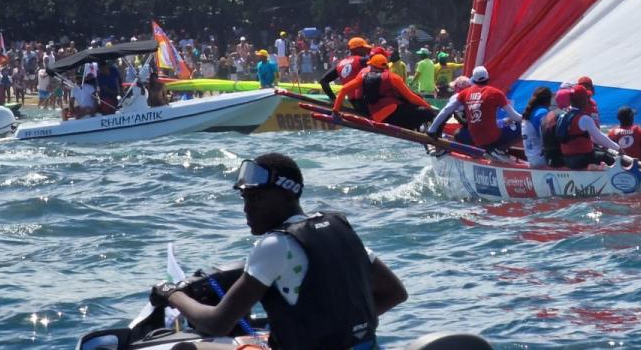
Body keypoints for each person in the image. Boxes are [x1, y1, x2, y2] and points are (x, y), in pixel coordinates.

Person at [153, 153, 407, 349]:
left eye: (256, 198)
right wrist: (332, 329)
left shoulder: (276, 245)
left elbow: (217, 322)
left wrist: (171, 293)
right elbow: (395, 293)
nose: (247, 208)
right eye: (245, 199)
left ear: (287, 195)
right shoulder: (340, 230)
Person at [427, 66, 522, 158]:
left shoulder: (462, 95)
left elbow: (445, 111)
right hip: (491, 138)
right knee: (521, 125)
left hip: (474, 137)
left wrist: (432, 130)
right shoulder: (496, 93)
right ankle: (497, 150)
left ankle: (491, 151)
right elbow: (516, 117)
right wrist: (529, 118)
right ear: (488, 78)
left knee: (458, 134)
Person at [332, 54, 436, 130]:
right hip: (393, 116)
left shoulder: (363, 77)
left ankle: (419, 127)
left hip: (375, 116)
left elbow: (343, 90)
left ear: (372, 66)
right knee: (426, 112)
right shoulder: (393, 77)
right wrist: (429, 107)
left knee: (412, 109)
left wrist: (335, 111)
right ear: (385, 66)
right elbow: (411, 97)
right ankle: (427, 130)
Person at [551, 87, 622, 170]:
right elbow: (599, 138)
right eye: (586, 98)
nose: (588, 100)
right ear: (582, 100)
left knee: (599, 152)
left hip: (567, 159)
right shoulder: (584, 118)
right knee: (608, 158)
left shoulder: (563, 116)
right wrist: (618, 148)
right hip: (582, 159)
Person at [320, 37, 372, 109]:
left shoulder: (340, 64)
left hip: (354, 101)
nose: (366, 51)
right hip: (368, 100)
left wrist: (335, 100)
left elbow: (323, 81)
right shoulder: (362, 60)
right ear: (357, 49)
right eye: (364, 49)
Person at [520, 86, 553, 168]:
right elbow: (546, 137)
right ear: (548, 100)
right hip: (541, 159)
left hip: (531, 158)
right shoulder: (543, 112)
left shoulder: (530, 112)